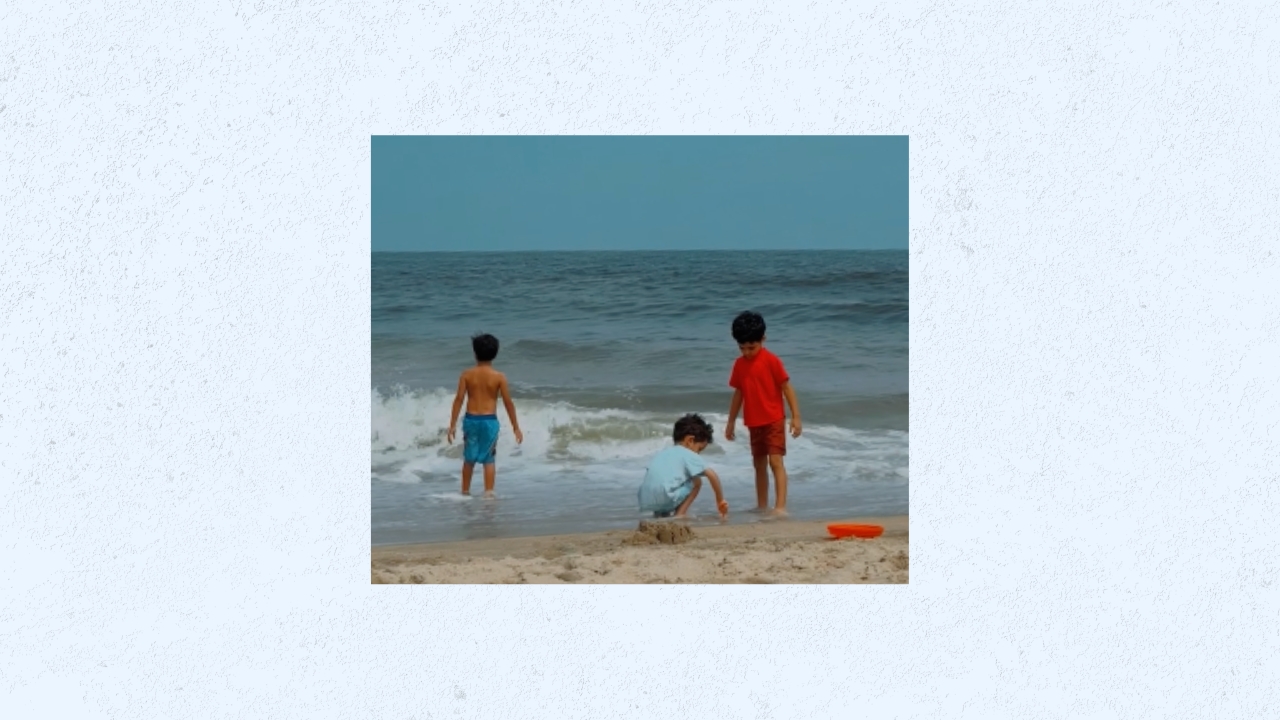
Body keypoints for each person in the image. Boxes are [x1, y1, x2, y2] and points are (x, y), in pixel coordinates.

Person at [724, 311, 802, 515]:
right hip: (753, 422)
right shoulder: (739, 365)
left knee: (775, 461)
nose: (747, 352)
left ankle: (780, 507)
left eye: (752, 347)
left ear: (763, 340)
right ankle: (761, 505)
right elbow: (738, 394)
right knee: (758, 464)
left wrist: (796, 417)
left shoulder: (771, 361)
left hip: (774, 419)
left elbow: (787, 388)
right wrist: (731, 421)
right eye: (742, 348)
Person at [446, 333, 523, 497]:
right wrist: (516, 427)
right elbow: (508, 403)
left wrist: (452, 424)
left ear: (475, 353)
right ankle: (489, 493)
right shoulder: (499, 377)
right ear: (495, 353)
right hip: (489, 421)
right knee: (489, 459)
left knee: (469, 459)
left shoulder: (466, 375)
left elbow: (459, 399)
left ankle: (465, 492)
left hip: (471, 420)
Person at [638, 414, 729, 520]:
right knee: (697, 481)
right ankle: (680, 514)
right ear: (690, 440)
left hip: (646, 499)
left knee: (670, 483)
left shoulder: (663, 453)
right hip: (666, 497)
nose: (698, 454)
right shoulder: (687, 453)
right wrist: (720, 500)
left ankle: (659, 516)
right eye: (699, 449)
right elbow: (712, 474)